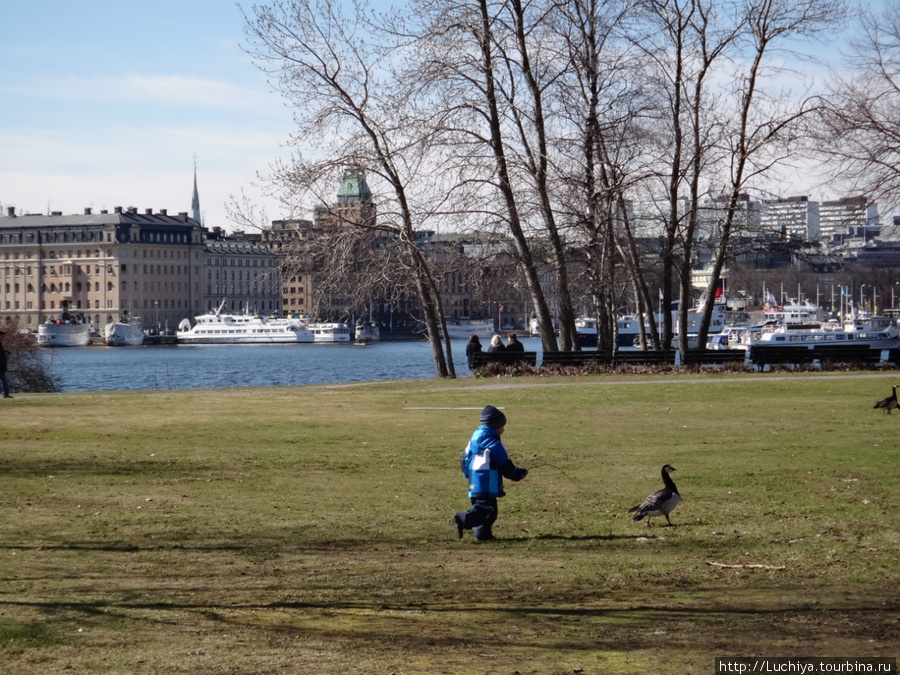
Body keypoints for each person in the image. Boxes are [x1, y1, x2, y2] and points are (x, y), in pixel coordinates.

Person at [454, 405, 527, 541]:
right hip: (486, 483)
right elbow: (505, 464)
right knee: (486, 511)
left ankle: (482, 535)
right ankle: (462, 519)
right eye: (502, 427)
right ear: (495, 427)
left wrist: (467, 474)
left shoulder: (472, 442)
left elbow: (464, 460)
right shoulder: (494, 444)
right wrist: (517, 474)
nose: (503, 430)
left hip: (474, 483)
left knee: (486, 512)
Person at [0, 330, 11, 399]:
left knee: (4, 380)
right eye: (2, 336)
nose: (3, 338)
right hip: (0, 367)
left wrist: (5, 351)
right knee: (4, 380)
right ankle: (5, 394)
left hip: (1, 366)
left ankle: (5, 394)